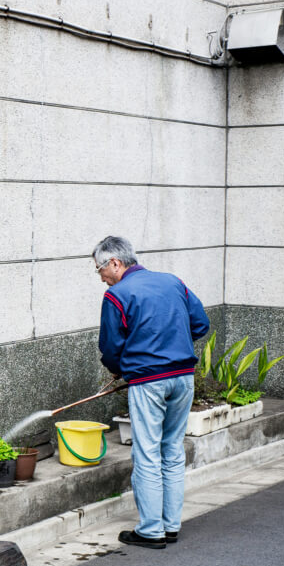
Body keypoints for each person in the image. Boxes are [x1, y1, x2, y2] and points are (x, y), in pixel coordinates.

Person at [93, 236, 210, 550]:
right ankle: (171, 526)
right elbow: (200, 323)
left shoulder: (118, 295)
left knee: (146, 452)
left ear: (115, 263)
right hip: (183, 377)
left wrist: (119, 368)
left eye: (100, 270)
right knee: (171, 450)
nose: (101, 278)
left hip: (148, 381)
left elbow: (111, 347)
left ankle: (150, 530)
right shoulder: (173, 282)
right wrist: (173, 343)